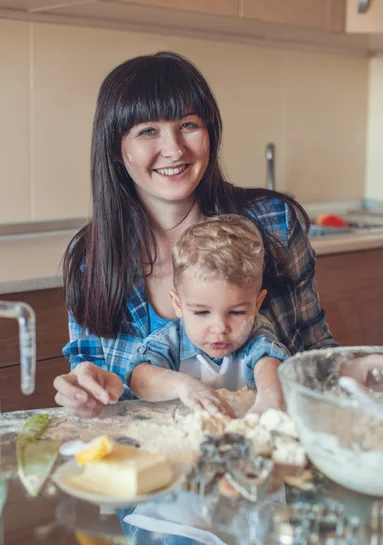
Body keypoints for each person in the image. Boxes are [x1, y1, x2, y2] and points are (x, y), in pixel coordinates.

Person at [53, 50, 338, 420]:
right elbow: (89, 373)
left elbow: (317, 351)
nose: (174, 150)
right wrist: (83, 390)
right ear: (116, 150)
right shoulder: (92, 257)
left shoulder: (273, 224)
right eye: (148, 131)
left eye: (188, 125)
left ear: (210, 133)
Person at [128, 215, 290, 415]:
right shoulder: (171, 341)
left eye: (237, 312)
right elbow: (139, 378)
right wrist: (184, 386)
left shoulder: (255, 335)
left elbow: (268, 362)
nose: (220, 327)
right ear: (178, 304)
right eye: (202, 312)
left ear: (257, 304)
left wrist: (270, 398)